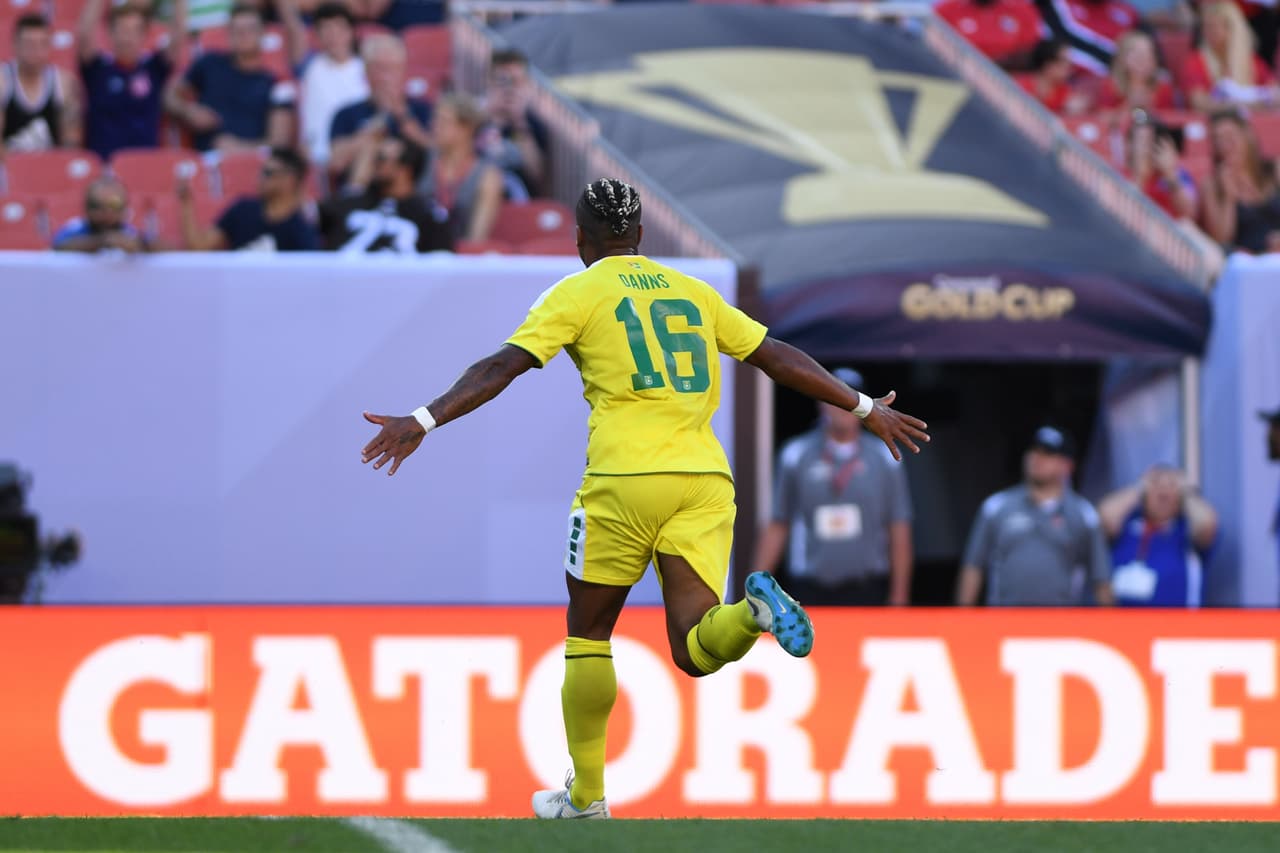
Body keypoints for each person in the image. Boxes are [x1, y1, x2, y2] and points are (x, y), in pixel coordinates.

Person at [359, 177, 930, 819]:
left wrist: (425, 419)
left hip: (623, 484)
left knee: (589, 631)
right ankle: (752, 615)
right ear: (639, 236)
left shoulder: (577, 292)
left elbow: (503, 366)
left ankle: (587, 797)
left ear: (580, 240)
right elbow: (773, 356)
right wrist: (861, 405)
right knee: (694, 650)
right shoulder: (694, 293)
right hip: (704, 483)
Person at [754, 367, 914, 606]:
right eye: (836, 400)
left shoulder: (885, 457)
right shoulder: (795, 455)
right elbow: (779, 524)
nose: (843, 409)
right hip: (809, 587)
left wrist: (899, 596)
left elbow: (898, 527)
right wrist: (754, 589)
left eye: (851, 401)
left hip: (867, 588)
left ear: (865, 408)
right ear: (822, 404)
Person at [957, 425, 1114, 606]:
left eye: (1048, 454)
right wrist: (963, 619)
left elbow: (1101, 579)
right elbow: (973, 567)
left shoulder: (1083, 514)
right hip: (1004, 622)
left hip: (1061, 625)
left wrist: (1111, 628)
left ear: (1067, 465)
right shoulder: (996, 507)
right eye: (1033, 451)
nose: (1037, 458)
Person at [165, 3, 296, 153]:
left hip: (252, 167)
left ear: (262, 34)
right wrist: (188, 111)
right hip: (204, 164)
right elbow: (169, 95)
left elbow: (279, 144)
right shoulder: (210, 63)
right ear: (228, 34)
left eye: (250, 29)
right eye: (237, 30)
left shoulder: (275, 83)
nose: (243, 35)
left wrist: (239, 149)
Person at [77, 0, 187, 161]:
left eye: (134, 30)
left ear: (144, 35)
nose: (127, 37)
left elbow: (178, 36)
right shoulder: (97, 70)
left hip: (145, 167)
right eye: (122, 29)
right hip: (104, 169)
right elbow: (84, 35)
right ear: (110, 32)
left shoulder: (154, 69)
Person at [1098, 465, 1218, 607]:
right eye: (1156, 485)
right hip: (1121, 624)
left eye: (1171, 486)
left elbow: (1207, 525)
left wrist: (1186, 491)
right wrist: (1139, 487)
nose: (1163, 492)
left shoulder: (1186, 529)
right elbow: (1104, 518)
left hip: (1177, 625)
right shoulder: (1128, 524)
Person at [328, 34, 432, 184]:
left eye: (392, 69)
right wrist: (372, 131)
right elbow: (336, 163)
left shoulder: (421, 109)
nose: (385, 77)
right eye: (379, 68)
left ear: (403, 72)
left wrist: (401, 114)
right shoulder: (345, 113)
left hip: (410, 194)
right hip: (359, 195)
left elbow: (433, 154)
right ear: (366, 73)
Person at [320, 136, 452, 253]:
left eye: (381, 158)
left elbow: (440, 267)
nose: (375, 164)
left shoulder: (428, 215)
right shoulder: (350, 203)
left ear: (405, 169)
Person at [282, 0, 369, 170]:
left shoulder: (366, 69)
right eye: (325, 29)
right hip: (313, 160)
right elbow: (292, 22)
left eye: (338, 28)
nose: (332, 35)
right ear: (317, 35)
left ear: (351, 31)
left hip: (352, 158)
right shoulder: (308, 65)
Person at [179, 146, 320, 251]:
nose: (260, 178)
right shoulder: (242, 210)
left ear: (289, 180)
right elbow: (198, 246)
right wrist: (186, 204)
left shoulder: (302, 228)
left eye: (268, 173)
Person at [421, 93, 504, 243]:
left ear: (467, 128)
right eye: (435, 119)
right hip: (414, 255)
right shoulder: (421, 159)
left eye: (444, 121)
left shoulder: (487, 176)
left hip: (458, 259)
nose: (434, 125)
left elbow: (476, 239)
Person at [0, 14, 81, 155]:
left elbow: (71, 141)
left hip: (50, 167)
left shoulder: (64, 83)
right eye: (29, 44)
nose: (35, 51)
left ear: (49, 46)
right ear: (15, 45)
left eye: (41, 44)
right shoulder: (3, 81)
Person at [1202, 109, 1280, 253]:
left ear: (1247, 136)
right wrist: (1228, 197)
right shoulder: (1211, 185)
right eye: (1217, 139)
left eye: (1230, 136)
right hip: (1247, 261)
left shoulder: (1274, 169)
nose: (1224, 145)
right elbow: (1222, 240)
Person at [1182, 1, 1280, 113]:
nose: (1209, 32)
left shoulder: (1253, 62)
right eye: (1206, 26)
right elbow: (1199, 103)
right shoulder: (1196, 62)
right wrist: (1240, 106)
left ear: (1233, 29)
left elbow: (1275, 96)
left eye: (1215, 26)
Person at [478, 49, 549, 196]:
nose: (510, 89)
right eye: (502, 81)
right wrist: (488, 117)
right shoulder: (471, 115)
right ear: (489, 81)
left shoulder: (532, 124)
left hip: (517, 200)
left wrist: (519, 124)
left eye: (516, 82)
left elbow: (537, 176)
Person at [1033, 0, 1140, 76]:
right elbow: (1064, 37)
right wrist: (1118, 62)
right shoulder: (1053, 4)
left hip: (1114, 90)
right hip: (1068, 83)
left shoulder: (1127, 12)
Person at [1126, 109, 1198, 220]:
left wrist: (1170, 175)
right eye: (1142, 140)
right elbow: (1124, 216)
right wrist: (1140, 178)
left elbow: (1189, 214)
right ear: (1129, 144)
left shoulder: (1177, 176)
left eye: (1152, 140)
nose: (1147, 147)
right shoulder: (1116, 174)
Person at [51, 177, 148, 254]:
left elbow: (156, 245)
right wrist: (103, 242)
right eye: (97, 205)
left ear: (124, 208)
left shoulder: (128, 232)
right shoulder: (76, 228)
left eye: (114, 205)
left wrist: (140, 245)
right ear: (86, 208)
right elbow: (59, 246)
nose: (107, 213)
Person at [1097, 31, 1178, 115]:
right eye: (1138, 56)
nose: (1144, 61)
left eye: (1149, 55)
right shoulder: (1111, 86)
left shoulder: (1163, 86)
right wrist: (1129, 105)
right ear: (1122, 59)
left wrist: (1150, 107)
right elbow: (1103, 119)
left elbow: (1169, 120)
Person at [1017, 39, 1091, 115]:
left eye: (1070, 63)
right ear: (1048, 65)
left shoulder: (1065, 94)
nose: (1070, 68)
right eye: (1064, 62)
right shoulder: (1020, 85)